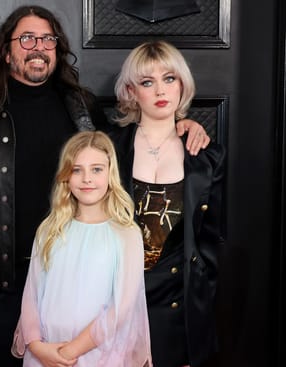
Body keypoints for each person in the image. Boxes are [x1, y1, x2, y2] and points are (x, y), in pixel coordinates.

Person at [0, 5, 209, 366]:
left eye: (47, 39)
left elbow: (125, 153)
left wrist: (183, 124)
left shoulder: (82, 108)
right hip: (0, 286)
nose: (38, 46)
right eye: (26, 38)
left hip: (74, 285)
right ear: (6, 52)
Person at [111, 40, 225, 367]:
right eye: (148, 82)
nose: (161, 89)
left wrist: (200, 316)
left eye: (169, 78)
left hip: (178, 302)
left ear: (183, 84)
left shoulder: (207, 157)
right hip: (121, 298)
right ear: (132, 91)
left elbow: (211, 244)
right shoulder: (110, 146)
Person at [16, 131, 152, 367]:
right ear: (66, 176)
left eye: (97, 169)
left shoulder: (126, 234)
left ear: (110, 174)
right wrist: (37, 346)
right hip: (46, 353)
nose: (86, 178)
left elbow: (121, 308)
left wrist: (70, 352)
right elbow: (32, 294)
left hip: (98, 355)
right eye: (77, 170)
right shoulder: (49, 230)